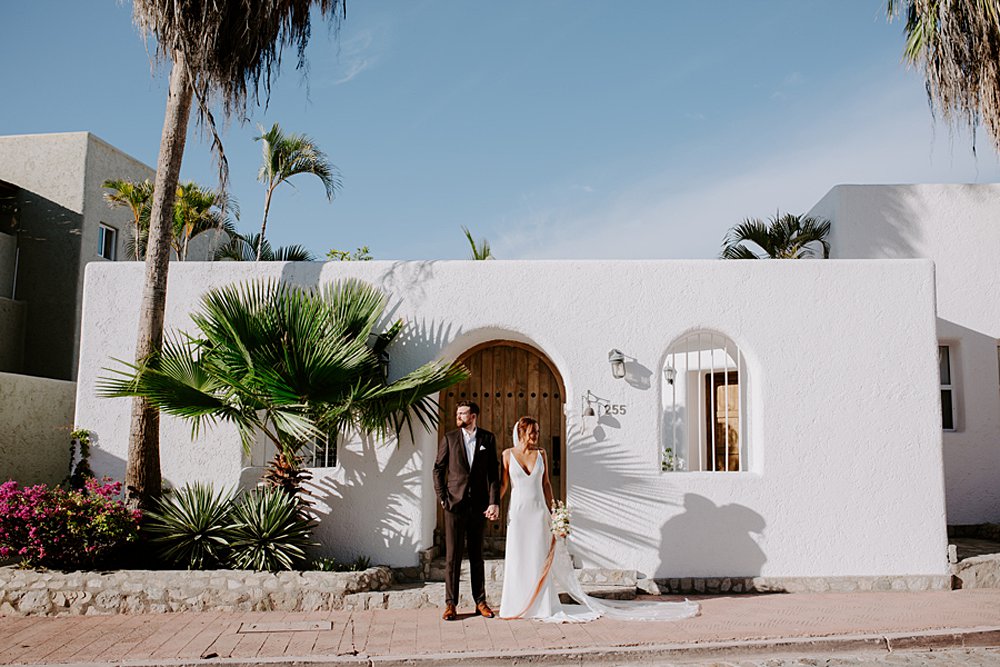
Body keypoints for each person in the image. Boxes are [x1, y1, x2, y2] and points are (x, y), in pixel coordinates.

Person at [498, 416, 701, 623]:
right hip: (519, 512)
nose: (536, 435)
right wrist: (493, 504)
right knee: (518, 557)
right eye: (533, 431)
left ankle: (539, 605)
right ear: (521, 432)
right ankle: (516, 604)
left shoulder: (541, 454)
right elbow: (503, 484)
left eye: (538, 431)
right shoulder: (507, 455)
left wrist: (555, 511)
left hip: (538, 512)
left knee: (537, 557)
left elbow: (547, 484)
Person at [433, 401, 500, 621]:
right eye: (457, 413)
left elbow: (493, 473)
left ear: (473, 416)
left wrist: (493, 502)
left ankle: (480, 601)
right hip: (454, 505)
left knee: (476, 556)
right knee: (452, 557)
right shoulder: (450, 438)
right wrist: (443, 498)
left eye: (462, 413)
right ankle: (450, 604)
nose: (458, 416)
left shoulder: (487, 439)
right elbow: (438, 469)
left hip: (478, 506)